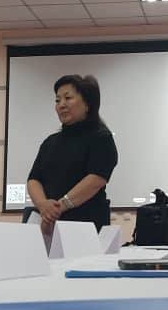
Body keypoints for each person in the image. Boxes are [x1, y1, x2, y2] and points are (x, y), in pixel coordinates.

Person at [27, 74, 118, 233]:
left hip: (85, 226)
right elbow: (34, 179)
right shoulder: (50, 142)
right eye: (57, 100)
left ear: (87, 104)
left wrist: (59, 207)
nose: (61, 104)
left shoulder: (101, 138)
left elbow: (96, 179)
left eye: (68, 98)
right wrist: (43, 205)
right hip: (49, 225)